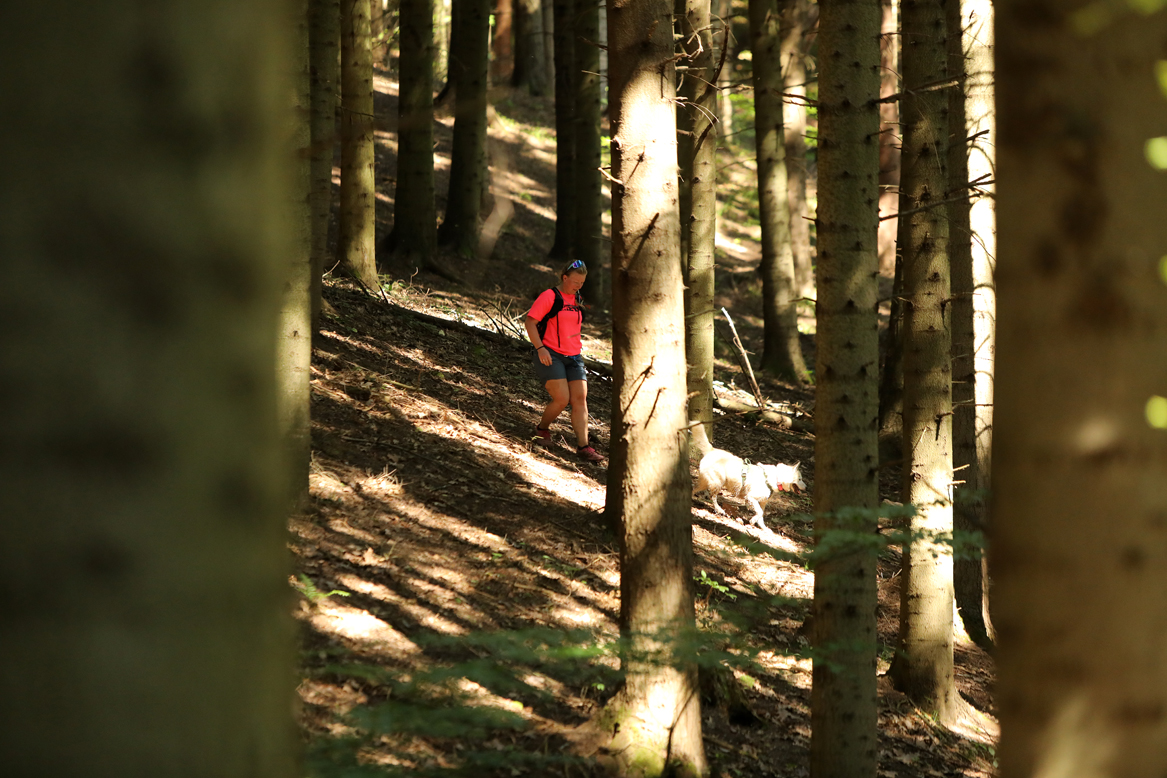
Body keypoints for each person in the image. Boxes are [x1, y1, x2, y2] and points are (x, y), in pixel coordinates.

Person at [524, 260, 605, 462]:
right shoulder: (549, 296)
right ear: (564, 277)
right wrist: (540, 348)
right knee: (562, 398)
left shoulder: (578, 298)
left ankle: (584, 447)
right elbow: (530, 322)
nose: (578, 286)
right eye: (575, 282)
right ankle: (542, 429)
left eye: (582, 283)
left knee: (580, 399)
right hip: (551, 354)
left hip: (574, 357)